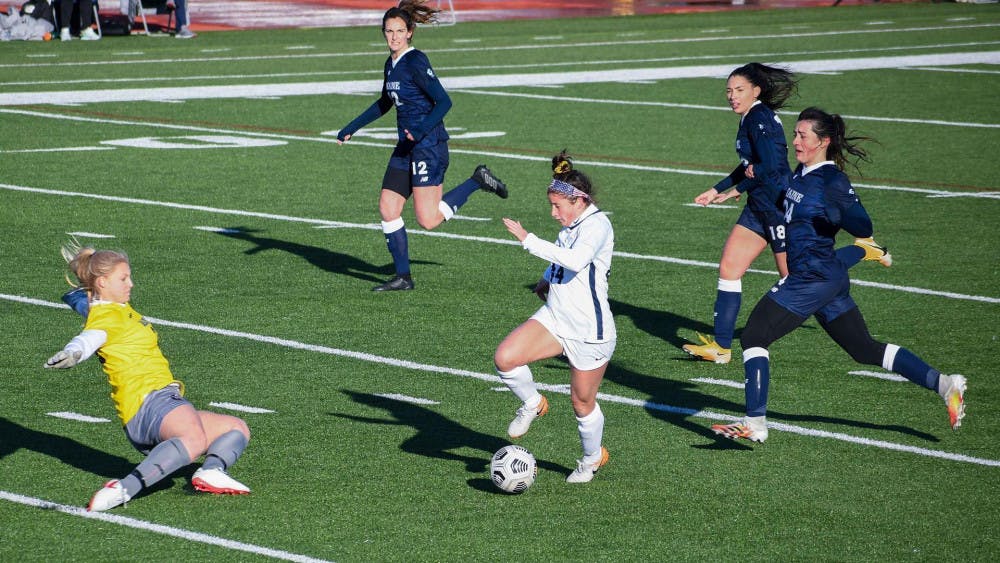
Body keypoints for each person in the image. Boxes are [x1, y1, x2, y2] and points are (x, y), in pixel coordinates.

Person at [710, 107, 966, 443]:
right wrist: (734, 189)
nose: (795, 140)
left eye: (803, 135)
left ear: (823, 142)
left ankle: (755, 422)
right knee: (863, 349)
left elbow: (863, 224)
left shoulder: (832, 181)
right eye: (796, 133)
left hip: (811, 279)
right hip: (824, 276)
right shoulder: (800, 176)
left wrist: (843, 217)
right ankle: (945, 383)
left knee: (755, 334)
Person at [683, 63, 890, 365]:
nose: (731, 96)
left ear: (756, 90)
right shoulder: (750, 118)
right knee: (729, 267)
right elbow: (751, 165)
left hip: (779, 208)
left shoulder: (760, 119)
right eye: (728, 90)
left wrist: (741, 184)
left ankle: (863, 251)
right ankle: (722, 347)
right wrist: (721, 188)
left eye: (738, 90)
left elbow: (772, 165)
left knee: (798, 278)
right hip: (758, 205)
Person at [45, 242, 252, 511]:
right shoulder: (107, 316)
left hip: (160, 403)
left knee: (235, 428)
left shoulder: (113, 308)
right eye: (123, 278)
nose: (130, 283)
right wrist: (73, 352)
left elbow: (90, 307)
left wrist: (83, 299)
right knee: (194, 440)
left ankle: (210, 471)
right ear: (103, 281)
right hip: (149, 402)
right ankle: (122, 489)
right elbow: (90, 337)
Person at [336, 0, 507, 292]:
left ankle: (477, 181)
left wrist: (419, 130)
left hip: (428, 145)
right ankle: (403, 277)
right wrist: (351, 128)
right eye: (389, 31)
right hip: (407, 146)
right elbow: (384, 103)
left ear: (410, 32)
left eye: (399, 31)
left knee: (428, 220)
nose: (394, 36)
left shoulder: (416, 61)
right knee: (388, 208)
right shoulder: (390, 64)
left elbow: (444, 102)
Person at [495, 151, 615, 484]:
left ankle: (592, 459)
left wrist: (527, 240)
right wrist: (547, 278)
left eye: (557, 206)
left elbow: (577, 260)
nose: (553, 213)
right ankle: (533, 402)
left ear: (579, 200)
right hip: (555, 317)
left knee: (581, 402)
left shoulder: (597, 226)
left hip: (589, 330)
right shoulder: (571, 224)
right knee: (506, 358)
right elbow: (563, 260)